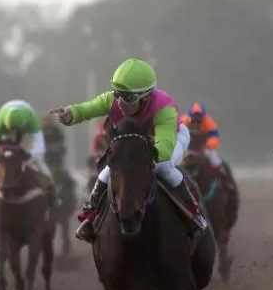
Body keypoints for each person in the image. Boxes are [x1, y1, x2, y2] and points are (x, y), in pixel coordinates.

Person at [48, 58, 208, 242]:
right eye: (118, 94)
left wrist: (149, 155)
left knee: (163, 167)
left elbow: (164, 147)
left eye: (128, 98)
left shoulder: (164, 108)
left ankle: (193, 214)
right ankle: (90, 216)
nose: (120, 103)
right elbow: (87, 109)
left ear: (146, 97)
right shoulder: (113, 101)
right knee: (109, 170)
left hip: (173, 137)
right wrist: (70, 114)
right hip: (139, 141)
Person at [0, 99, 58, 214]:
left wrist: (28, 157)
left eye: (17, 130)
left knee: (41, 165)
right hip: (6, 137)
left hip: (28, 131)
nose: (15, 132)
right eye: (12, 130)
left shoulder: (31, 121)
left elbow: (40, 148)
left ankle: (52, 193)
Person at [181, 102, 240, 203]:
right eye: (193, 121)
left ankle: (228, 184)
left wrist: (207, 147)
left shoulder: (209, 122)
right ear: (189, 118)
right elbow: (179, 137)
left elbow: (214, 138)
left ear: (203, 118)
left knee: (216, 161)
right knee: (177, 162)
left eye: (199, 121)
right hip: (189, 148)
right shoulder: (183, 122)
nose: (196, 124)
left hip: (205, 147)